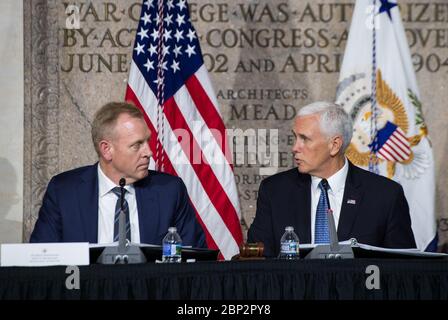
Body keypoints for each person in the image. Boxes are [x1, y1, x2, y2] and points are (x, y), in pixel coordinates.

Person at [247, 101, 416, 257]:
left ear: (334, 145)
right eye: (295, 137)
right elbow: (258, 263)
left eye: (305, 139)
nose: (294, 148)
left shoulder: (385, 195)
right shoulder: (275, 191)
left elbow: (401, 270)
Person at [30, 102, 206, 248]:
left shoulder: (169, 191)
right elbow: (42, 260)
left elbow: (195, 257)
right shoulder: (64, 192)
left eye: (147, 141)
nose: (149, 152)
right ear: (107, 150)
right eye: (137, 145)